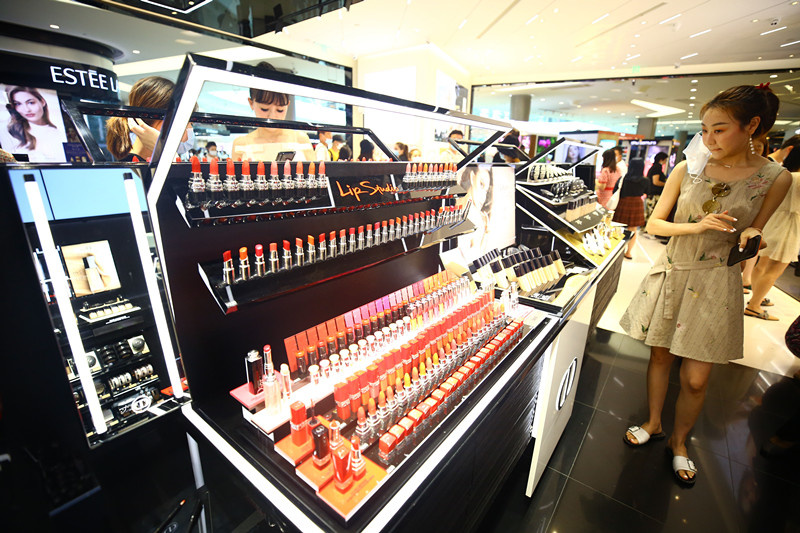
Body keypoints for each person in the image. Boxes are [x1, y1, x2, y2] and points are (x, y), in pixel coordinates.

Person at [620, 84, 791, 486]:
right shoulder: (688, 168)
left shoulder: (775, 177)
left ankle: (680, 443)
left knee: (697, 377)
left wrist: (752, 236)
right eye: (705, 130)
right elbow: (655, 223)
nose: (709, 140)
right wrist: (696, 225)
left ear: (751, 125)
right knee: (660, 357)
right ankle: (654, 422)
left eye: (719, 129)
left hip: (717, 280)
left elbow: (757, 228)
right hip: (676, 271)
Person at [746, 147, 800, 320]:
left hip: (773, 222)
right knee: (776, 268)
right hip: (788, 226)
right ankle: (754, 305)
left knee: (762, 264)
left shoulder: (782, 175)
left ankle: (756, 298)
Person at [231, 62, 314, 161]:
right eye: (264, 109)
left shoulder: (301, 139)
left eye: (280, 110)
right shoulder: (241, 144)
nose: (272, 116)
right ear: (251, 103)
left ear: (287, 105)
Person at [106, 76, 190, 161]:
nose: (188, 129)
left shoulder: (154, 163)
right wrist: (164, 151)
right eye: (182, 120)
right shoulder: (134, 168)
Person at [1, 86, 67, 162]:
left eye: (31, 103)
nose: (26, 109)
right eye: (18, 104)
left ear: (42, 102)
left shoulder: (60, 132)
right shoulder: (12, 134)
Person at [613, 159, 648, 260]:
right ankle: (628, 252)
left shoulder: (623, 179)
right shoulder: (645, 180)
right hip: (637, 204)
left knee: (619, 228)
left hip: (623, 203)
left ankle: (617, 251)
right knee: (633, 229)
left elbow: (615, 191)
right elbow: (647, 192)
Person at [646, 152, 669, 219]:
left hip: (651, 194)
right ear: (661, 159)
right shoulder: (657, 167)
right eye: (665, 160)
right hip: (654, 195)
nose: (666, 161)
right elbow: (656, 181)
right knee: (652, 214)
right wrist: (666, 184)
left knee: (649, 213)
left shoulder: (653, 167)